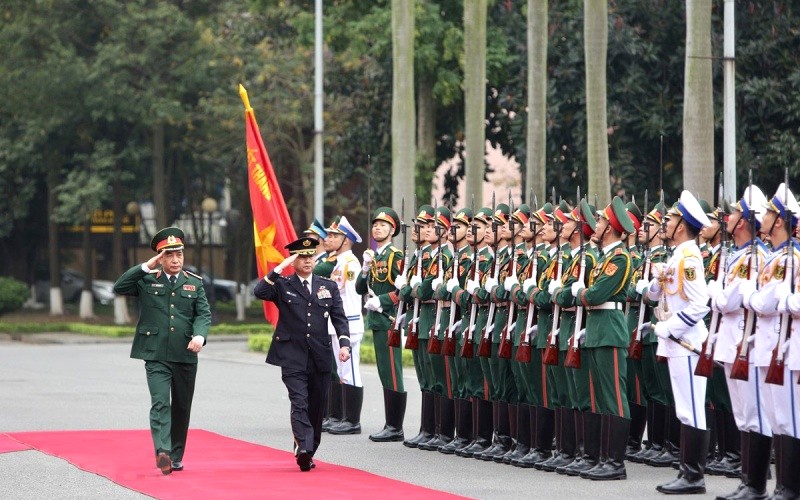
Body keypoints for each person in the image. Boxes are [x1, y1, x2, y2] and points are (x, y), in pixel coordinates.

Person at [113, 227, 211, 475]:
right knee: (160, 403)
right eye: (169, 255)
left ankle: (176, 456)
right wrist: (147, 266)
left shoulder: (194, 283)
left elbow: (203, 314)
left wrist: (200, 335)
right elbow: (119, 286)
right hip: (155, 354)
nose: (176, 260)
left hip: (185, 354)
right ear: (160, 257)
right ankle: (163, 452)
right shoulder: (147, 281)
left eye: (179, 254)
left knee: (181, 407)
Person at [253, 236, 351, 472]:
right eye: (302, 257)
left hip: (320, 354)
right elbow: (260, 291)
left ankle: (309, 447)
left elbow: (339, 317)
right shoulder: (283, 285)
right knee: (299, 401)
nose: (308, 261)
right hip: (291, 354)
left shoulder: (327, 286)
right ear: (294, 260)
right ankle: (304, 448)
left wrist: (345, 344)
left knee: (316, 406)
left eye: (311, 256)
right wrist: (279, 268)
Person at [640, 191, 712, 494]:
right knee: (684, 408)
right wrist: (654, 285)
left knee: (692, 408)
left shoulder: (690, 258)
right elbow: (657, 296)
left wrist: (669, 328)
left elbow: (700, 304)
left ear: (681, 224)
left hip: (687, 344)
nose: (665, 223)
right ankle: (687, 472)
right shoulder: (678, 256)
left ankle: (693, 475)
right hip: (677, 344)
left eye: (669, 218)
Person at [357, 206, 407, 442]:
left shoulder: (395, 256)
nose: (378, 227)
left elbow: (403, 289)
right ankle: (390, 423)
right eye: (375, 224)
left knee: (392, 372)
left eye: (383, 225)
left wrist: (383, 301)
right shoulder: (374, 255)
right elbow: (359, 289)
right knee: (383, 372)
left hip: (389, 320)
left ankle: (395, 427)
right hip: (377, 320)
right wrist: (365, 269)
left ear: (392, 230)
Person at [324, 216, 366, 435]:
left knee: (350, 371)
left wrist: (345, 328)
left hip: (348, 325)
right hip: (338, 326)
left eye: (334, 236)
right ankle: (343, 417)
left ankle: (352, 421)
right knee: (342, 371)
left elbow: (351, 298)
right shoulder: (340, 263)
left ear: (346, 240)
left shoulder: (350, 264)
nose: (329, 238)